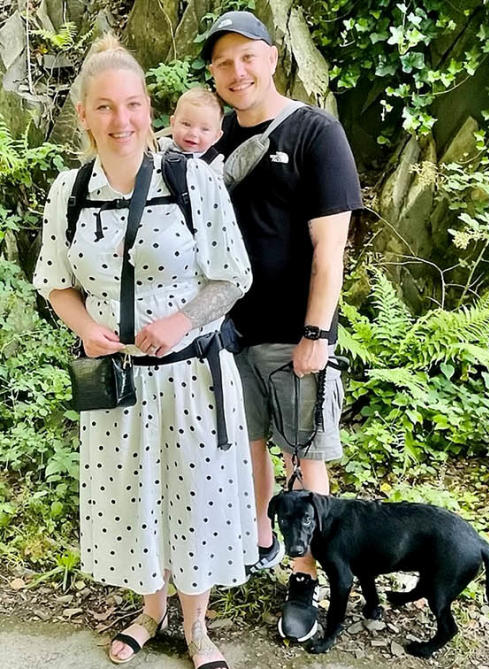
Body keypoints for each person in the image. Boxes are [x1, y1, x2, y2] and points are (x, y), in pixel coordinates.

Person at [33, 35, 255, 669]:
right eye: (104, 107)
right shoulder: (69, 191)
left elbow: (233, 276)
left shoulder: (192, 180)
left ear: (149, 109)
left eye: (132, 104)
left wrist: (181, 318)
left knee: (197, 499)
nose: (121, 120)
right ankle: (150, 613)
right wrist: (83, 327)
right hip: (116, 383)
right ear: (83, 115)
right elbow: (55, 280)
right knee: (132, 499)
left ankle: (197, 627)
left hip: (191, 378)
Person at [201, 11, 362, 642]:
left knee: (306, 457)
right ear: (212, 75)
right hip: (225, 333)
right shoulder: (210, 147)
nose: (236, 72)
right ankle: (262, 543)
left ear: (271, 58)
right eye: (222, 63)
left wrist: (316, 335)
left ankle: (305, 579)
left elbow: (330, 250)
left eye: (247, 57)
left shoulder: (315, 133)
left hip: (293, 334)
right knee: (251, 446)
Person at [158, 86, 226, 172]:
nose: (193, 133)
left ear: (216, 137)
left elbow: (216, 185)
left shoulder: (213, 163)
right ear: (173, 123)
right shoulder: (161, 146)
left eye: (204, 129)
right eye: (186, 124)